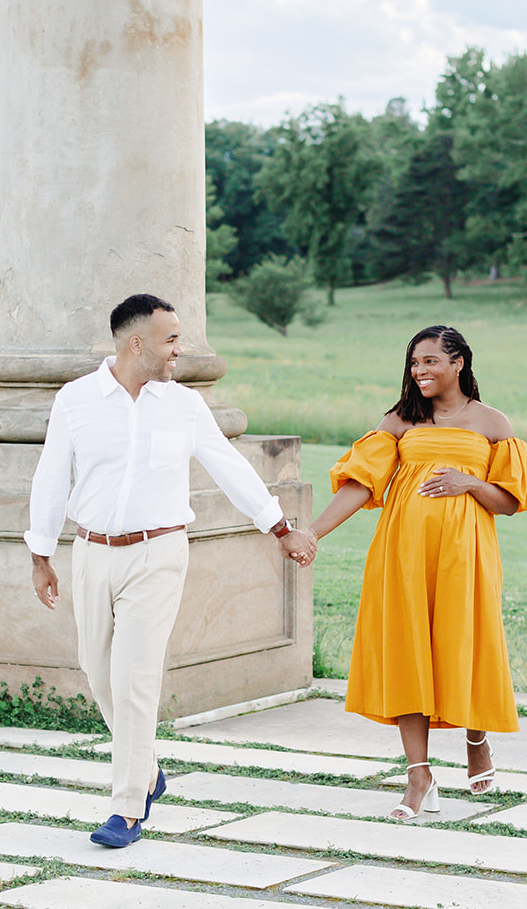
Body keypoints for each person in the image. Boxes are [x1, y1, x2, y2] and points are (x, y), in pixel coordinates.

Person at [26, 293, 314, 847]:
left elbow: (228, 465)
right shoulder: (76, 400)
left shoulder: (183, 405)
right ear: (138, 343)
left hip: (159, 554)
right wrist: (41, 555)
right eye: (171, 339)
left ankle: (128, 809)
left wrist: (278, 526)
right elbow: (51, 476)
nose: (180, 349)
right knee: (98, 670)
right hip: (91, 551)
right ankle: (149, 769)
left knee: (135, 678)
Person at [302, 324, 527, 818]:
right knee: (408, 651)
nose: (420, 371)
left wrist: (469, 481)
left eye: (431, 360)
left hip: (465, 554)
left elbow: (511, 502)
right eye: (414, 363)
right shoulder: (401, 420)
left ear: (458, 363)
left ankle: (476, 735)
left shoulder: (492, 423)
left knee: (463, 645)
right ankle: (419, 775)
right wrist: (313, 533)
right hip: (403, 553)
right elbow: (360, 485)